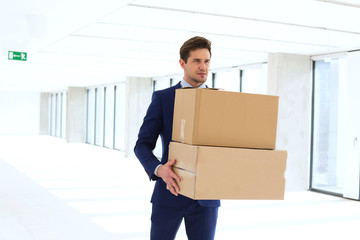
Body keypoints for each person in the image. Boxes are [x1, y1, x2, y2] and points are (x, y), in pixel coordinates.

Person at [134, 36, 220, 240]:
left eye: (206, 61)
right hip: (169, 193)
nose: (203, 67)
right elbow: (142, 145)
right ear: (182, 63)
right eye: (196, 61)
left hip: (206, 197)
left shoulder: (220, 101)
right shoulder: (163, 98)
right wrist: (158, 169)